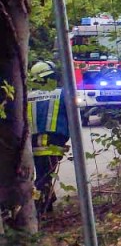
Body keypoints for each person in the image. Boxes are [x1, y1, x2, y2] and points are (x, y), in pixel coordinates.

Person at [27, 60, 70, 217]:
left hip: (32, 142)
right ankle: (39, 207)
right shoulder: (61, 93)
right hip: (53, 141)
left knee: (43, 173)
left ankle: (46, 202)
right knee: (44, 176)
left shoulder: (27, 96)